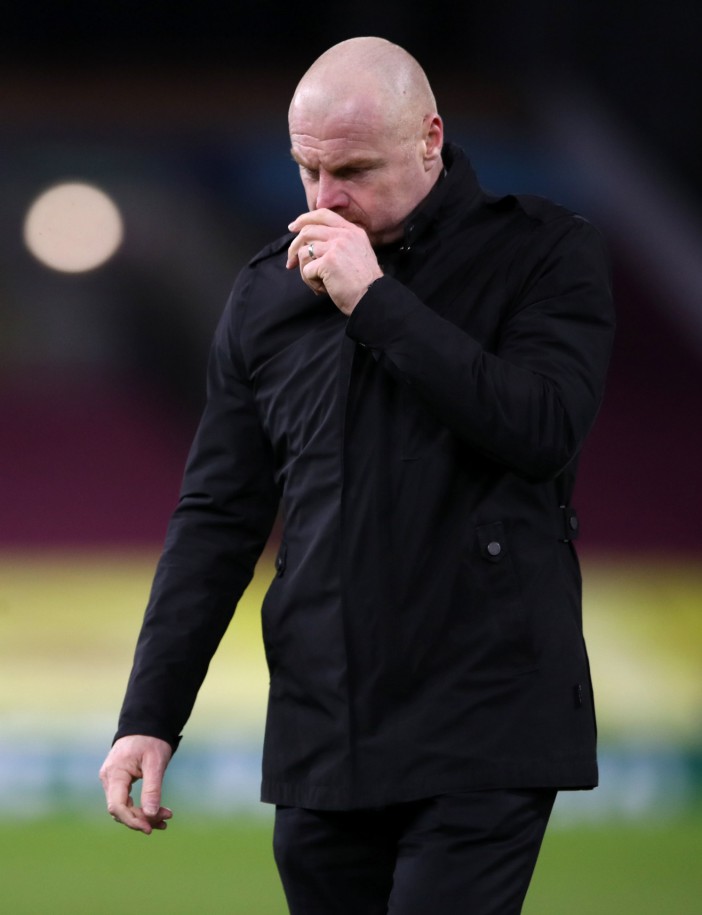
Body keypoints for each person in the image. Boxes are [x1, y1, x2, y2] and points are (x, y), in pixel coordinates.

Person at [100, 36, 615, 914]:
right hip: (323, 729)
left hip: (484, 723)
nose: (323, 197)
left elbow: (542, 429)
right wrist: (149, 713)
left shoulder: (543, 255)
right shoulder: (265, 293)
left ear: (431, 139)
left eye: (352, 170)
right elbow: (218, 517)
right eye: (307, 169)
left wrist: (374, 301)